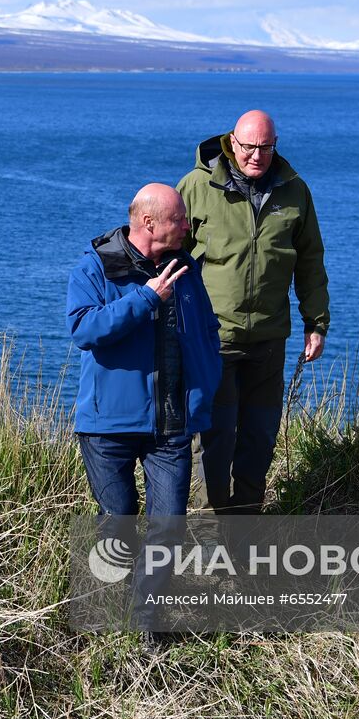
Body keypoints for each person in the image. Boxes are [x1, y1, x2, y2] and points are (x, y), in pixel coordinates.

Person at [177, 109, 330, 514]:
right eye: (248, 147)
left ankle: (244, 536)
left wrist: (316, 323)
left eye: (265, 147)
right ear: (232, 142)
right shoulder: (196, 186)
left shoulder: (295, 191)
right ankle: (206, 536)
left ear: (275, 145)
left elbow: (311, 262)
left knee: (259, 441)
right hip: (213, 341)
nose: (257, 156)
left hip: (267, 342)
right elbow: (167, 257)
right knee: (212, 439)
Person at [66, 183, 222, 516]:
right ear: (150, 223)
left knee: (168, 529)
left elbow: (207, 331)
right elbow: (83, 329)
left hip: (171, 427)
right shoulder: (96, 266)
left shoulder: (185, 268)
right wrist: (146, 298)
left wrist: (204, 389)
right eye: (179, 219)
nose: (186, 227)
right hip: (108, 427)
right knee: (117, 522)